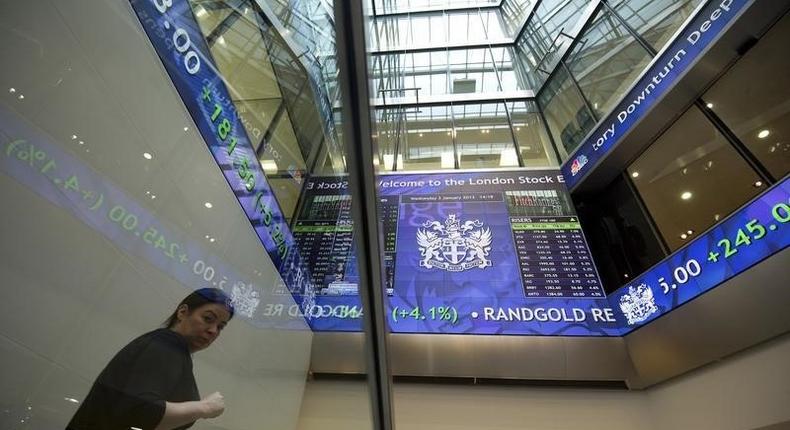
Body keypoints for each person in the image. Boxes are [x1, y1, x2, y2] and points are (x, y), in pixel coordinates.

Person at [66, 288, 234, 430]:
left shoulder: (171, 349)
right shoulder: (167, 343)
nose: (213, 330)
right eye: (208, 319)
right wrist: (204, 408)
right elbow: (142, 412)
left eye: (220, 327)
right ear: (182, 312)